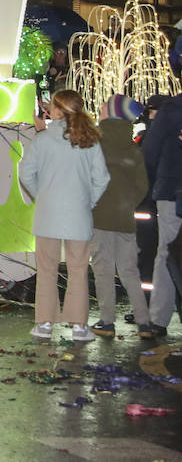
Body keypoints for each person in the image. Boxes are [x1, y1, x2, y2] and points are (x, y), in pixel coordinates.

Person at [19, 89, 111, 341]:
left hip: (48, 214)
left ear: (57, 111)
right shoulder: (89, 139)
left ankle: (45, 324)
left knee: (47, 269)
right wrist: (88, 200)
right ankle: (79, 326)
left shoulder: (42, 139)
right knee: (78, 269)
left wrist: (43, 195)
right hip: (79, 215)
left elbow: (26, 174)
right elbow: (102, 178)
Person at [89, 96, 151, 337]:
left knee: (103, 269)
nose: (100, 108)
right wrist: (127, 204)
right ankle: (144, 322)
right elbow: (142, 186)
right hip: (125, 219)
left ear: (112, 113)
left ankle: (107, 321)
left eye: (104, 106)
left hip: (100, 217)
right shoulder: (133, 147)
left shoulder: (95, 142)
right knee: (129, 270)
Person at [140, 90, 182, 338]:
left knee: (166, 253)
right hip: (170, 190)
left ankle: (158, 319)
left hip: (171, 191)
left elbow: (150, 151)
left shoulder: (171, 109)